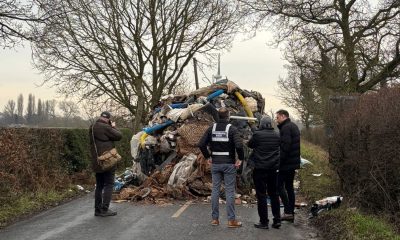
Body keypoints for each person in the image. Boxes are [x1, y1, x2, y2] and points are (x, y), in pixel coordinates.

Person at [198, 107, 244, 228]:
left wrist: (208, 157)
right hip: (229, 164)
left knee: (215, 190)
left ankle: (214, 219)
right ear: (228, 116)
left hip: (215, 164)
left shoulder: (211, 129)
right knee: (229, 191)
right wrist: (240, 158)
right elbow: (239, 145)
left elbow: (201, 144)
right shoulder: (232, 129)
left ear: (218, 116)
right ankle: (231, 221)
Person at [247, 116, 281, 229]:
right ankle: (277, 220)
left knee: (261, 195)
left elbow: (250, 144)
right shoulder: (277, 134)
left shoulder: (257, 135)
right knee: (274, 194)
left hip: (260, 169)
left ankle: (264, 222)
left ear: (261, 124)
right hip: (273, 169)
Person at [89, 111, 122, 217]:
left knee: (99, 185)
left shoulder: (92, 127)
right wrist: (113, 126)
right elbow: (119, 136)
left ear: (100, 117)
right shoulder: (106, 127)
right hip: (107, 160)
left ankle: (97, 210)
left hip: (97, 161)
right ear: (108, 119)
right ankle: (105, 209)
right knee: (109, 184)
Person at [275, 109, 300, 222]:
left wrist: (279, 162)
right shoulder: (293, 126)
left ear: (283, 116)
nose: (277, 119)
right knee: (289, 187)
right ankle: (290, 212)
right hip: (292, 163)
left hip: (286, 163)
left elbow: (285, 147)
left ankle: (288, 211)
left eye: (278, 117)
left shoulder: (286, 128)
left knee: (279, 186)